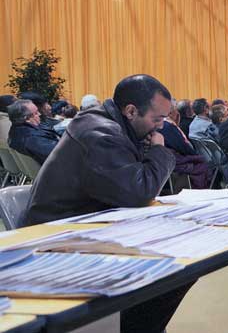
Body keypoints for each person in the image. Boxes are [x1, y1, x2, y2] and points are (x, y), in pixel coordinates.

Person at [25, 74, 192, 333]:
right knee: (173, 270)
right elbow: (140, 191)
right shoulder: (101, 134)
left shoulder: (111, 126)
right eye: (156, 119)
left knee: (176, 265)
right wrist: (159, 150)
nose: (160, 128)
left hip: (86, 224)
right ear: (131, 111)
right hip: (59, 238)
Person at [8, 99, 60, 164]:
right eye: (36, 113)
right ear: (26, 118)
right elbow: (59, 154)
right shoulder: (33, 138)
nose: (39, 114)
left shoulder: (15, 131)